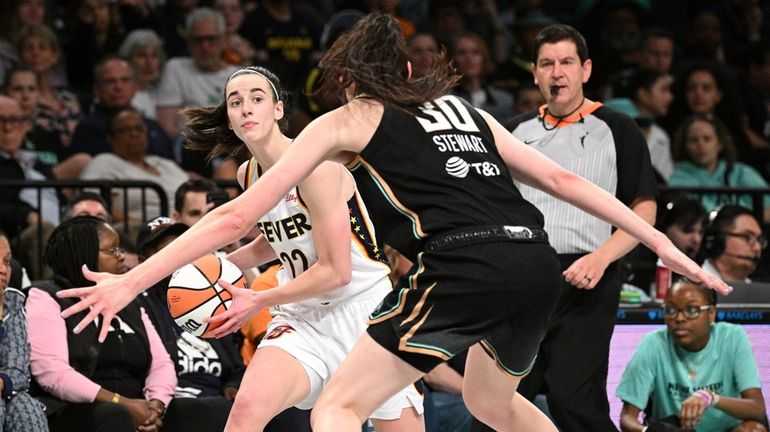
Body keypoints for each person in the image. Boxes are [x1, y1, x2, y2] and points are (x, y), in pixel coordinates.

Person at [57, 13, 731, 432]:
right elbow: (562, 181)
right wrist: (665, 244)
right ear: (408, 70)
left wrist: (129, 282)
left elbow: (235, 215)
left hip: (460, 265)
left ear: (350, 79)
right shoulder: (469, 111)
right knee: (493, 404)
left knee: (335, 412)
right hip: (535, 265)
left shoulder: (350, 116)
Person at [181, 65, 425, 431]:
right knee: (245, 410)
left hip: (364, 314)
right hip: (302, 316)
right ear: (230, 119)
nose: (246, 107)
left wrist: (260, 299)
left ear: (278, 109)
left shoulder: (317, 169)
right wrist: (214, 271)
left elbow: (336, 271)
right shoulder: (248, 172)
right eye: (236, 102)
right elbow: (276, 238)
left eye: (257, 98)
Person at [495, 23, 658, 432]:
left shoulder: (618, 128)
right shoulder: (512, 132)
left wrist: (601, 258)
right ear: (534, 73)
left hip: (590, 278)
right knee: (502, 401)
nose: (557, 73)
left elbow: (645, 211)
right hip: (524, 282)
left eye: (566, 62)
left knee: (574, 399)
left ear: (586, 69)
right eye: (547, 64)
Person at [27, 216, 220, 431]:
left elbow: (161, 364)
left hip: (134, 404)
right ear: (84, 255)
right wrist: (122, 403)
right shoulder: (47, 296)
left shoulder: (128, 301)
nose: (121, 258)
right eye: (112, 250)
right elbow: (52, 373)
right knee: (115, 416)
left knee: (194, 410)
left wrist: (156, 405)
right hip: (77, 409)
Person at [135, 217, 245, 431]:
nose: (178, 256)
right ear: (142, 260)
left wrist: (233, 386)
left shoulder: (209, 298)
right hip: (173, 399)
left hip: (216, 396)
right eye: (166, 249)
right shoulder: (140, 305)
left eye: (182, 247)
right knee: (215, 410)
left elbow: (237, 367)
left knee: (284, 411)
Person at [616, 280, 768, 432]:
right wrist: (647, 431)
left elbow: (757, 409)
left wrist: (710, 398)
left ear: (711, 314)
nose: (679, 318)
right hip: (675, 430)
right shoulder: (653, 344)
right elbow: (626, 419)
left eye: (692, 310)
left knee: (754, 429)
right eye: (670, 310)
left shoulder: (732, 338)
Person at [79, 106, 189, 226]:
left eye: (139, 129)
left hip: (187, 226)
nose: (134, 134)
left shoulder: (164, 163)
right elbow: (91, 202)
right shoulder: (104, 162)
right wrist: (145, 226)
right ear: (110, 138)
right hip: (141, 233)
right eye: (124, 130)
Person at [668, 114, 770, 222]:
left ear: (720, 144)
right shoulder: (678, 179)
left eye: (707, 139)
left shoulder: (741, 172)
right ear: (686, 147)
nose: (700, 145)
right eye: (694, 140)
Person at [0, 230, 49, 431]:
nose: (3, 269)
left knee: (27, 407)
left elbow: (18, 367)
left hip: (5, 388)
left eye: (7, 261)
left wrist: (2, 383)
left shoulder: (13, 302)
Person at [701, 205, 766, 284]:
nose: (757, 248)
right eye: (747, 237)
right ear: (719, 240)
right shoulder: (692, 284)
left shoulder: (759, 292)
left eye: (759, 240)